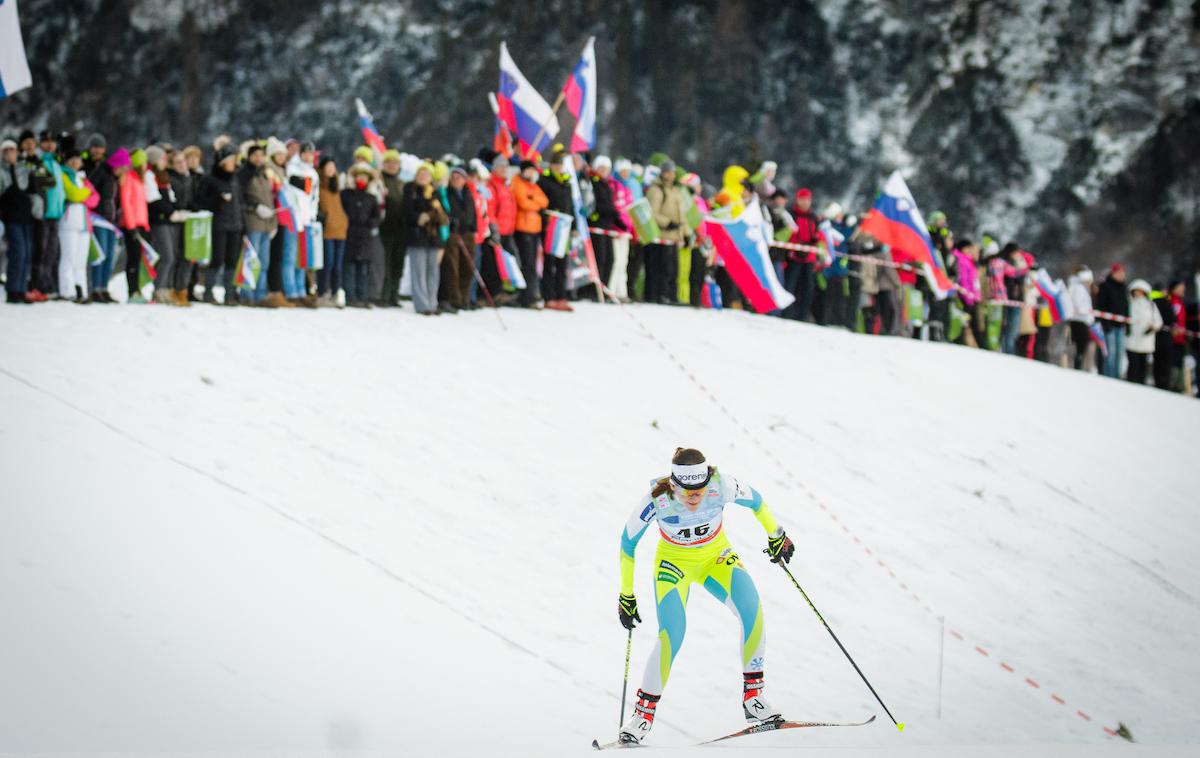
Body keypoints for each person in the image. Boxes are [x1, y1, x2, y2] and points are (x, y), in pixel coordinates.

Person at [614, 448, 795, 746]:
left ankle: (754, 699)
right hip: (674, 565)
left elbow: (757, 502)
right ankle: (642, 716)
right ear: (673, 484)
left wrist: (776, 534)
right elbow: (627, 543)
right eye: (687, 491)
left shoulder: (722, 485)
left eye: (699, 489)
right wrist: (626, 595)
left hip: (716, 557)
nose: (695, 497)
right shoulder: (656, 499)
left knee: (753, 611)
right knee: (672, 633)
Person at [197, 145, 244, 305]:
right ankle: (208, 292)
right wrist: (218, 199)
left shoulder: (235, 178)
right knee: (217, 259)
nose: (233, 163)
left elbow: (240, 203)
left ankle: (229, 294)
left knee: (232, 260)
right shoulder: (210, 179)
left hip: (235, 225)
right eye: (230, 160)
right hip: (219, 224)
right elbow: (201, 201)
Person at [400, 162, 445, 316]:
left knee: (433, 271)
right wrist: (419, 217)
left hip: (433, 237)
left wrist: (432, 214)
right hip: (416, 236)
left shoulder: (435, 193)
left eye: (426, 174)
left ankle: (432, 302)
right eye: (421, 174)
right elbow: (406, 211)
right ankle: (422, 304)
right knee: (418, 271)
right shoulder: (410, 190)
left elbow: (442, 217)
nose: (423, 177)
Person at [239, 144, 278, 306]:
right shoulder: (244, 174)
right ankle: (246, 293)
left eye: (261, 155)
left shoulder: (264, 175)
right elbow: (240, 199)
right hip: (252, 221)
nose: (258, 158)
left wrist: (273, 223)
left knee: (264, 262)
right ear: (249, 156)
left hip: (266, 223)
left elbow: (270, 199)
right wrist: (254, 208)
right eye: (255, 155)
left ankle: (260, 294)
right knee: (250, 260)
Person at [145, 145, 183, 304]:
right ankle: (158, 289)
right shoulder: (149, 175)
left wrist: (177, 210)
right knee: (166, 256)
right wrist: (170, 211)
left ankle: (166, 288)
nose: (165, 161)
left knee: (172, 256)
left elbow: (171, 199)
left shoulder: (163, 176)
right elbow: (153, 200)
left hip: (168, 220)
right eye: (162, 158)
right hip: (158, 221)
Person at [341, 164, 382, 308]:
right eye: (359, 176)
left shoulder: (371, 197)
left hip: (365, 237)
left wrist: (370, 222)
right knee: (350, 268)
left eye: (364, 177)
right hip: (350, 234)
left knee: (363, 270)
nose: (362, 179)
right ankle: (350, 297)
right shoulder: (346, 194)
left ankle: (363, 297)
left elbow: (377, 217)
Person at [645, 160, 686, 305]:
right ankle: (661, 294)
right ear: (663, 173)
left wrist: (684, 232)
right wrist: (667, 223)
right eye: (669, 172)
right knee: (662, 267)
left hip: (674, 236)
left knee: (674, 269)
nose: (672, 175)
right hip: (662, 235)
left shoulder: (675, 190)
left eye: (673, 172)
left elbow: (682, 214)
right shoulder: (656, 190)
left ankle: (671, 295)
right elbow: (652, 212)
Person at [1, 138, 36, 303]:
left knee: (27, 253)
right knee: (18, 252)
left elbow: (43, 182)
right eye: (6, 151)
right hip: (11, 218)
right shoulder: (1, 172)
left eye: (12, 150)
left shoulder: (25, 169)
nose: (9, 154)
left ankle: (22, 289)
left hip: (26, 218)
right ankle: (12, 289)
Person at [539, 150, 576, 311]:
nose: (559, 167)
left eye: (561, 165)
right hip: (551, 226)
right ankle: (549, 296)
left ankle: (562, 296)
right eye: (556, 164)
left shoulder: (567, 183)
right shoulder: (545, 181)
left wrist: (574, 227)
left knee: (563, 263)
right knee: (550, 263)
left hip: (565, 227)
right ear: (552, 165)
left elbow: (570, 206)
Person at [512, 159, 548, 309]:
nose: (531, 173)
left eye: (533, 170)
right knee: (527, 264)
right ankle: (527, 296)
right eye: (529, 170)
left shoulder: (532, 185)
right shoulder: (517, 182)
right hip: (523, 228)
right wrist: (535, 203)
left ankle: (531, 293)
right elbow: (522, 202)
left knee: (532, 263)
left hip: (534, 229)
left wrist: (533, 199)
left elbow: (544, 201)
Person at [441, 166, 477, 313]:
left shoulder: (468, 194)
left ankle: (463, 297)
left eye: (459, 177)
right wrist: (451, 222)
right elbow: (446, 210)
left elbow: (473, 213)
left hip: (467, 233)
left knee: (467, 267)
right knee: (452, 267)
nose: (456, 180)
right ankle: (453, 298)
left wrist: (473, 228)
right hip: (453, 234)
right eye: (454, 177)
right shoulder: (447, 193)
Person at [120, 148, 151, 303]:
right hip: (131, 225)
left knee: (138, 260)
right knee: (132, 259)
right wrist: (131, 226)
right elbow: (126, 203)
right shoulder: (129, 178)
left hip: (140, 224)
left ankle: (137, 289)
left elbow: (141, 205)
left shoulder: (140, 180)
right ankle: (132, 291)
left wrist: (145, 225)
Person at [317, 156, 348, 308]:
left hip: (340, 229)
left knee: (338, 264)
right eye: (328, 166)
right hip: (327, 229)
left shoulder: (336, 186)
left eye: (333, 166)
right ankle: (322, 292)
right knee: (327, 263)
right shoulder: (318, 184)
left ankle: (336, 292)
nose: (331, 169)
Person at [784, 188, 819, 321]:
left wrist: (812, 244)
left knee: (808, 288)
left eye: (808, 200)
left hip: (809, 258)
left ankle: (802, 315)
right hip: (794, 256)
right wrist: (798, 247)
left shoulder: (813, 217)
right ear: (797, 200)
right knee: (790, 285)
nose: (805, 202)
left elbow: (817, 235)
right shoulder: (791, 214)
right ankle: (786, 313)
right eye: (802, 199)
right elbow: (789, 233)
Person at [166, 149, 195, 306]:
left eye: (183, 161)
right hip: (173, 222)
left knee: (187, 257)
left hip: (187, 221)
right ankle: (170, 289)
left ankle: (182, 290)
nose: (182, 165)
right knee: (174, 256)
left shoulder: (188, 178)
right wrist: (177, 210)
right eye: (178, 162)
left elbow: (191, 200)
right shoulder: (170, 178)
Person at [379, 149, 407, 307]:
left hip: (401, 230)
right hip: (386, 228)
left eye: (395, 163)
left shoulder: (401, 183)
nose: (392, 165)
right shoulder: (380, 180)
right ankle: (385, 294)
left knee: (398, 263)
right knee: (386, 262)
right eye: (389, 162)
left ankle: (394, 294)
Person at [1093, 263, 1130, 378]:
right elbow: (1100, 306)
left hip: (1121, 326)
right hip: (1109, 325)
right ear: (1112, 273)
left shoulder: (1124, 288)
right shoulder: (1105, 286)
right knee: (1110, 353)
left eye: (1122, 273)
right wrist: (1104, 324)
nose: (1121, 275)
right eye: (1118, 273)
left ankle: (1117, 377)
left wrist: (1127, 324)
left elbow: (1126, 307)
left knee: (1119, 355)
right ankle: (1108, 377)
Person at [1125, 279, 1162, 385]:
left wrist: (1152, 328)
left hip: (1146, 340)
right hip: (1132, 339)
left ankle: (1141, 384)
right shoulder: (1130, 303)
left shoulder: (1151, 305)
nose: (1138, 293)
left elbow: (1158, 321)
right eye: (1136, 291)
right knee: (1132, 364)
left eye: (1140, 291)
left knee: (1142, 366)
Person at [1066, 266, 1095, 370]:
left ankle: (1078, 365)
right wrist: (1086, 311)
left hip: (1082, 320)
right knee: (1080, 345)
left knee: (1081, 345)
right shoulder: (1078, 287)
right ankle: (1076, 366)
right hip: (1079, 319)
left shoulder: (1081, 288)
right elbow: (1078, 305)